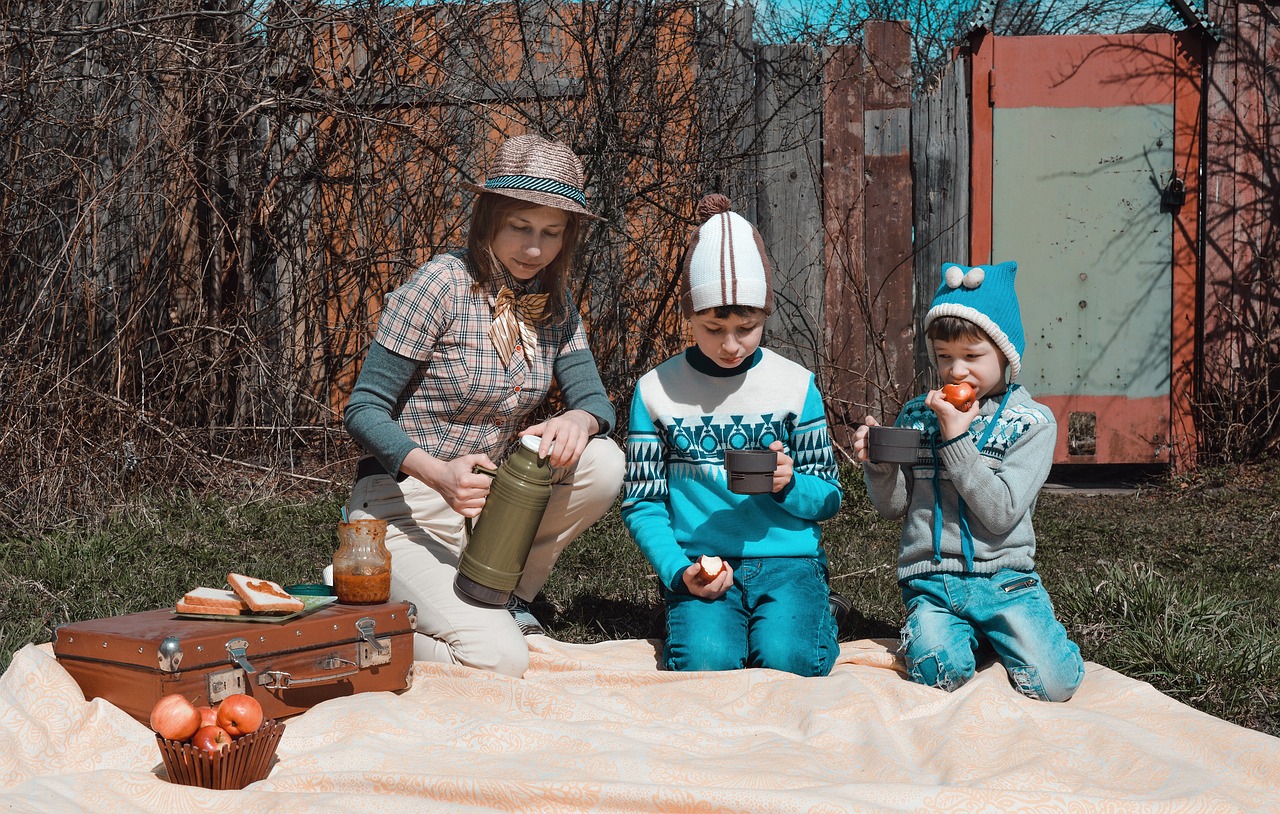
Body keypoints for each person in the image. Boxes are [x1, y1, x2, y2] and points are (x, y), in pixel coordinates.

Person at [343, 133, 625, 678]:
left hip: (492, 512)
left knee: (603, 460)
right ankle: (363, 620)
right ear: (489, 217)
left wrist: (579, 418)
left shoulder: (554, 301)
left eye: (551, 232)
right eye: (520, 226)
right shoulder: (439, 285)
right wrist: (438, 473)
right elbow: (363, 409)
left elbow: (595, 401)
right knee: (497, 661)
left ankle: (508, 595)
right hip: (405, 506)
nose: (534, 249)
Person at [621, 194, 843, 677]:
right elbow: (642, 502)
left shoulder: (794, 386)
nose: (730, 345)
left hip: (789, 561)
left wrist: (789, 485)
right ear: (689, 316)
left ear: (765, 315)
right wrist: (678, 572)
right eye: (712, 327)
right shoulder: (656, 391)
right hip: (700, 561)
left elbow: (829, 496)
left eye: (747, 327)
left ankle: (809, 610)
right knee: (707, 665)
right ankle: (703, 618)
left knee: (789, 663)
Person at [853, 261, 1084, 702]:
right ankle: (971, 636)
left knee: (1055, 684)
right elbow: (893, 506)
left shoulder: (1031, 423)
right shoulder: (918, 416)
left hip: (1005, 582)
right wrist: (879, 465)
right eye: (944, 357)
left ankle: (1009, 632)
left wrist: (957, 441)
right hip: (933, 583)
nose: (956, 371)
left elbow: (1001, 514)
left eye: (972, 357)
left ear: (1006, 356)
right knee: (938, 674)